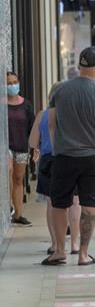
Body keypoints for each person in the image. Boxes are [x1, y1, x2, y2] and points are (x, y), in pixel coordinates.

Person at [42, 47, 95, 266]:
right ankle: (83, 253)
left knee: (59, 203)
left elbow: (51, 124)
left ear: (79, 66)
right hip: (92, 156)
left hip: (64, 156)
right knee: (89, 205)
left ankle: (59, 251)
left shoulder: (60, 91)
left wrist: (57, 148)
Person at [29, 83, 82, 254]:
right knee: (75, 201)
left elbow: (32, 142)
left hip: (48, 161)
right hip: (71, 158)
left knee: (53, 202)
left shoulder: (42, 115)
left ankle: (56, 245)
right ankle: (75, 243)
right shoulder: (73, 114)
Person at [6, 72, 35, 226]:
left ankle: (18, 215)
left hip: (22, 147)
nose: (12, 85)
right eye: (9, 83)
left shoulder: (26, 104)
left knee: (18, 179)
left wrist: (35, 146)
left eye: (14, 82)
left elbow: (32, 126)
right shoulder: (2, 104)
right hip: (5, 147)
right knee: (8, 171)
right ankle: (8, 205)